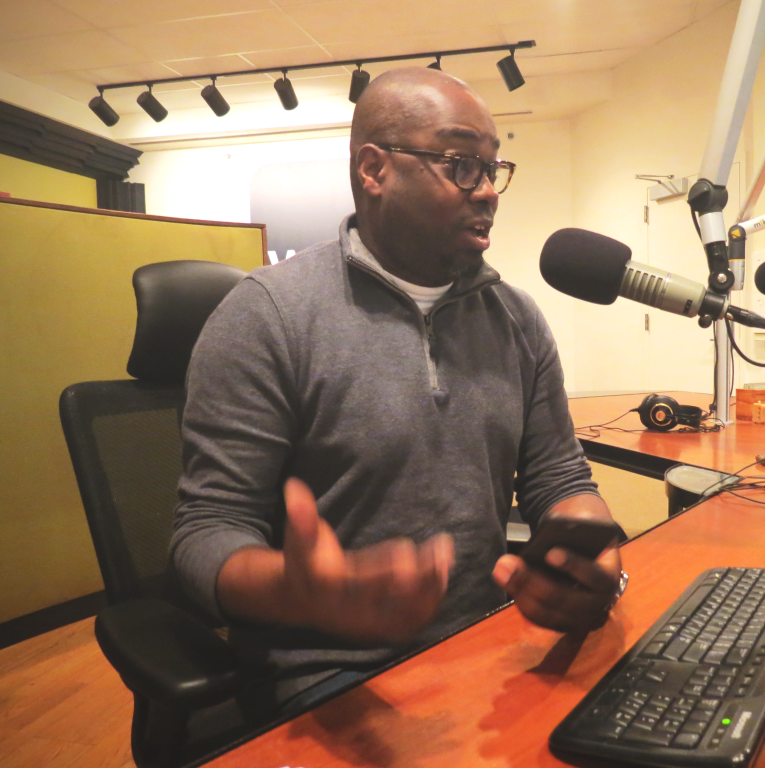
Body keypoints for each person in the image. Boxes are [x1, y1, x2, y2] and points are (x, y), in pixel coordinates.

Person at [171, 66, 624, 712]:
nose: (489, 190)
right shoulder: (266, 316)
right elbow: (206, 531)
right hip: (328, 678)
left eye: (495, 168)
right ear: (374, 170)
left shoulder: (516, 319)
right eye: (463, 164)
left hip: (487, 643)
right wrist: (296, 591)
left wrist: (588, 553)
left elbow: (560, 478)